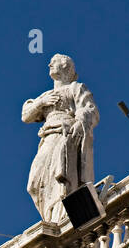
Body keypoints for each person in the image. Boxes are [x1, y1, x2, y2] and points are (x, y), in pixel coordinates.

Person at [21, 54, 98, 226]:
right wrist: (41, 102)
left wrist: (79, 122)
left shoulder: (75, 88)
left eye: (54, 62)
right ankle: (49, 216)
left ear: (66, 67)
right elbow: (25, 116)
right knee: (34, 183)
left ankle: (59, 216)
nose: (49, 64)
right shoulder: (46, 95)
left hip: (65, 135)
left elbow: (89, 109)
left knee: (61, 175)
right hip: (48, 136)